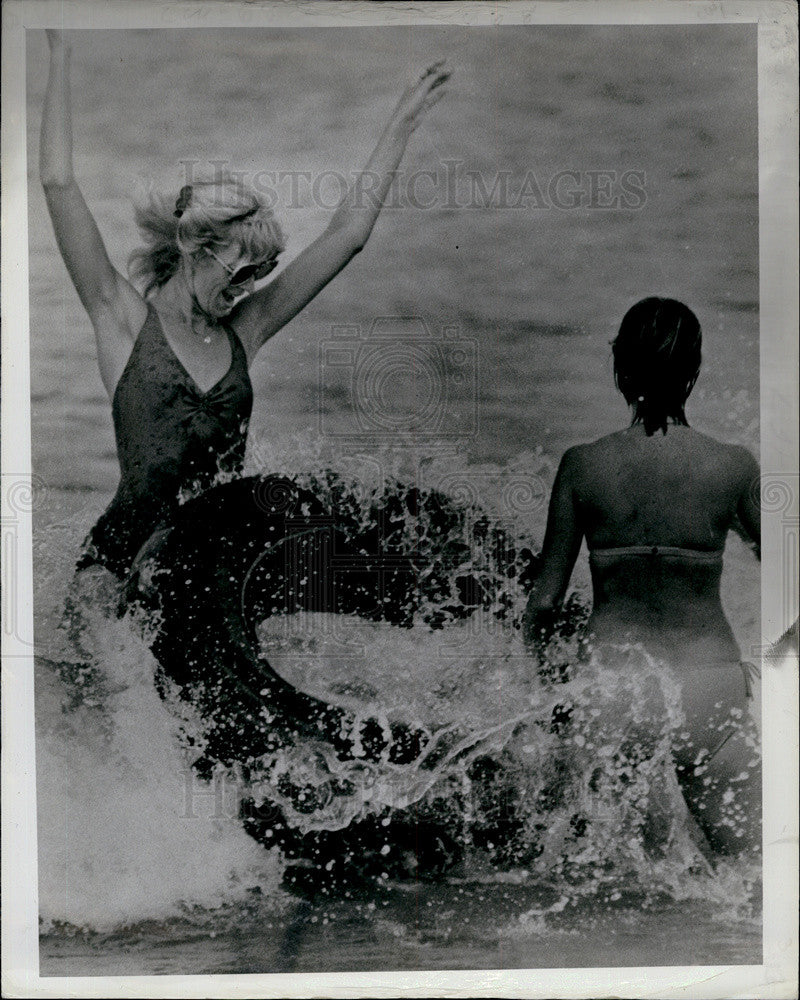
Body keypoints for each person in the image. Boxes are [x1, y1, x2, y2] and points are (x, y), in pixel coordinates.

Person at [40, 30, 449, 654]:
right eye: (239, 271)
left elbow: (348, 237)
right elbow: (60, 186)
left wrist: (401, 124)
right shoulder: (120, 317)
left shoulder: (245, 332)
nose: (247, 289)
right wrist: (60, 55)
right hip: (121, 560)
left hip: (211, 557)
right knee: (102, 672)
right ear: (191, 249)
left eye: (260, 275)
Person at [523, 296, 761, 854]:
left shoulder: (583, 465)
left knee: (616, 877)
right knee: (740, 873)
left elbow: (543, 604)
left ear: (619, 371)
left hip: (615, 691)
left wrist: (548, 686)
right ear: (695, 373)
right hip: (710, 688)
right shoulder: (732, 466)